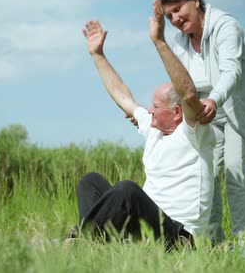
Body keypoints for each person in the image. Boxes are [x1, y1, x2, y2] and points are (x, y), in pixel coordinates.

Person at [69, 20, 215, 249]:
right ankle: (94, 244)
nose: (149, 110)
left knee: (127, 190)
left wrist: (159, 41)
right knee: (90, 182)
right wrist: (97, 55)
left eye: (156, 106)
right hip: (145, 230)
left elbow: (187, 93)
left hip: (178, 237)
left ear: (177, 113)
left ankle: (80, 240)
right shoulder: (154, 129)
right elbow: (123, 97)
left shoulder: (194, 134)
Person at [153, 0, 245, 244]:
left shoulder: (225, 27)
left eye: (178, 9)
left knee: (235, 167)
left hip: (241, 106)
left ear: (195, 1)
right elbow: (183, 83)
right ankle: (214, 241)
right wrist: (158, 112)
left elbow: (232, 72)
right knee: (206, 168)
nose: (175, 19)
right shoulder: (181, 41)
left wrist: (215, 99)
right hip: (209, 111)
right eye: (169, 15)